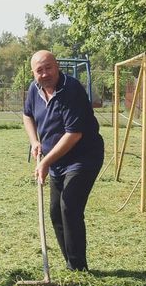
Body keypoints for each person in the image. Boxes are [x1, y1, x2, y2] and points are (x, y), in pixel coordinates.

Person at [23, 50, 104, 271]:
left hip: (83, 157)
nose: (45, 73)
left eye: (49, 67)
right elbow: (27, 115)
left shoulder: (72, 90)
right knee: (55, 212)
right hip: (56, 160)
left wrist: (45, 162)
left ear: (57, 66)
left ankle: (77, 269)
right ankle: (71, 262)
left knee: (69, 206)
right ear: (33, 73)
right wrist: (34, 141)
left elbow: (74, 134)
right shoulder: (34, 90)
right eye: (39, 70)